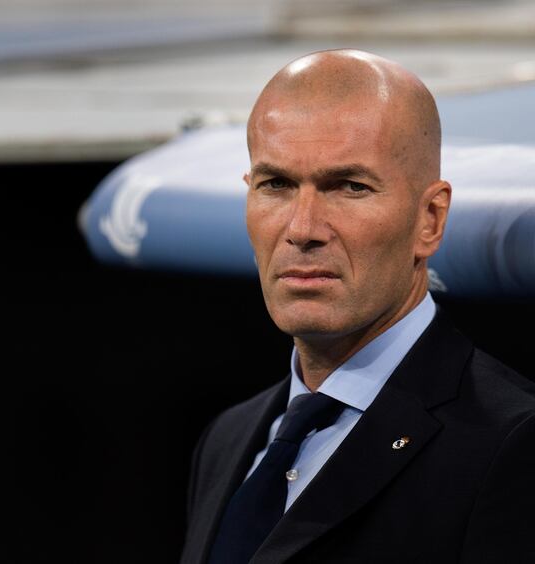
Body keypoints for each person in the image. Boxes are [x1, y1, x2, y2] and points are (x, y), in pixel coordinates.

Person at [180, 49, 535, 564]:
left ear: (429, 220)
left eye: (349, 187)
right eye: (276, 184)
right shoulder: (228, 439)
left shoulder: (513, 446)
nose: (302, 230)